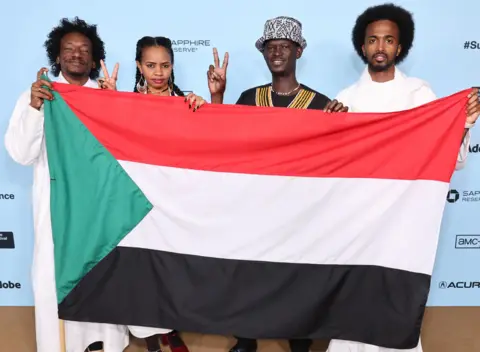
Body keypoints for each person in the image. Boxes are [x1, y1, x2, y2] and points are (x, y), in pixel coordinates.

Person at [326, 4, 479, 352]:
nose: (381, 47)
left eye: (389, 40)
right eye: (373, 40)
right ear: (362, 47)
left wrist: (464, 122)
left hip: (403, 218)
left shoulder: (419, 95)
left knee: (396, 299)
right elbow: (332, 168)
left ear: (400, 46)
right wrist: (329, 128)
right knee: (355, 298)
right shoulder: (345, 100)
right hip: (358, 220)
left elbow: (446, 157)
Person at [207, 16, 346, 352]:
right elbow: (222, 141)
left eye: (284, 47)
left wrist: (340, 127)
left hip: (298, 210)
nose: (277, 53)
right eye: (271, 48)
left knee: (298, 276)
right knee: (247, 272)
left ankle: (299, 339)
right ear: (264, 54)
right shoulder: (249, 97)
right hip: (255, 206)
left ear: (298, 51)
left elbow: (334, 159)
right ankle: (245, 337)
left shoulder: (319, 103)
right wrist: (217, 98)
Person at [4, 17, 132, 352]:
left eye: (84, 49)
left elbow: (127, 159)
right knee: (54, 288)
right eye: (68, 49)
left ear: (93, 59)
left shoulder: (106, 97)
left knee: (103, 287)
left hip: (102, 216)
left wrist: (115, 108)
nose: (76, 54)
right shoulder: (38, 96)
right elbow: (20, 153)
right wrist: (35, 108)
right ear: (57, 57)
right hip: (56, 217)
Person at [99, 35, 205, 352]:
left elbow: (206, 144)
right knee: (141, 268)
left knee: (171, 266)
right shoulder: (125, 103)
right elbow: (108, 144)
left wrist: (209, 104)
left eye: (165, 65)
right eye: (150, 65)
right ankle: (149, 336)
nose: (158, 72)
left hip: (174, 198)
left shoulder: (188, 102)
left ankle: (170, 328)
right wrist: (108, 103)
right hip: (137, 198)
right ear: (138, 66)